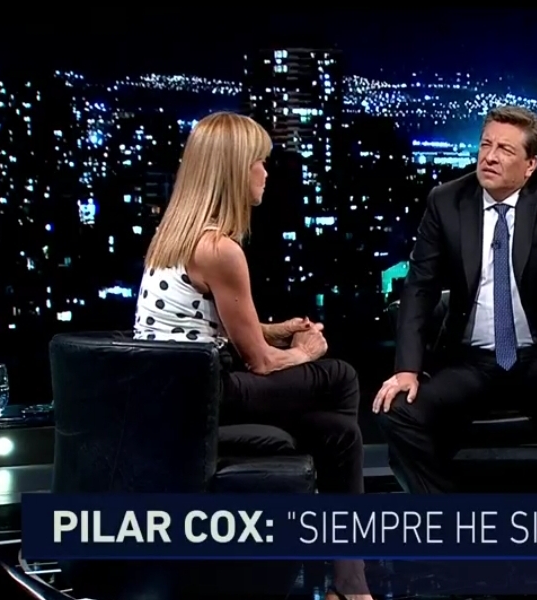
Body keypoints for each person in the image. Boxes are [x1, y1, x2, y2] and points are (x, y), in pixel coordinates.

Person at [132, 112, 371, 600]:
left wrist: (276, 330)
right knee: (339, 376)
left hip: (175, 395)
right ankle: (334, 564)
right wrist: (303, 351)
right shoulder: (217, 248)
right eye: (259, 162)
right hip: (200, 400)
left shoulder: (175, 234)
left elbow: (204, 325)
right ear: (234, 170)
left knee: (341, 434)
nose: (265, 173)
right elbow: (260, 362)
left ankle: (349, 583)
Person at [372, 105, 537, 494]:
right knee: (396, 410)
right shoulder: (446, 200)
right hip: (470, 362)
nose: (490, 157)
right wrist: (407, 370)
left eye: (505, 150)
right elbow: (419, 287)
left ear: (530, 165)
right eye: (485, 145)